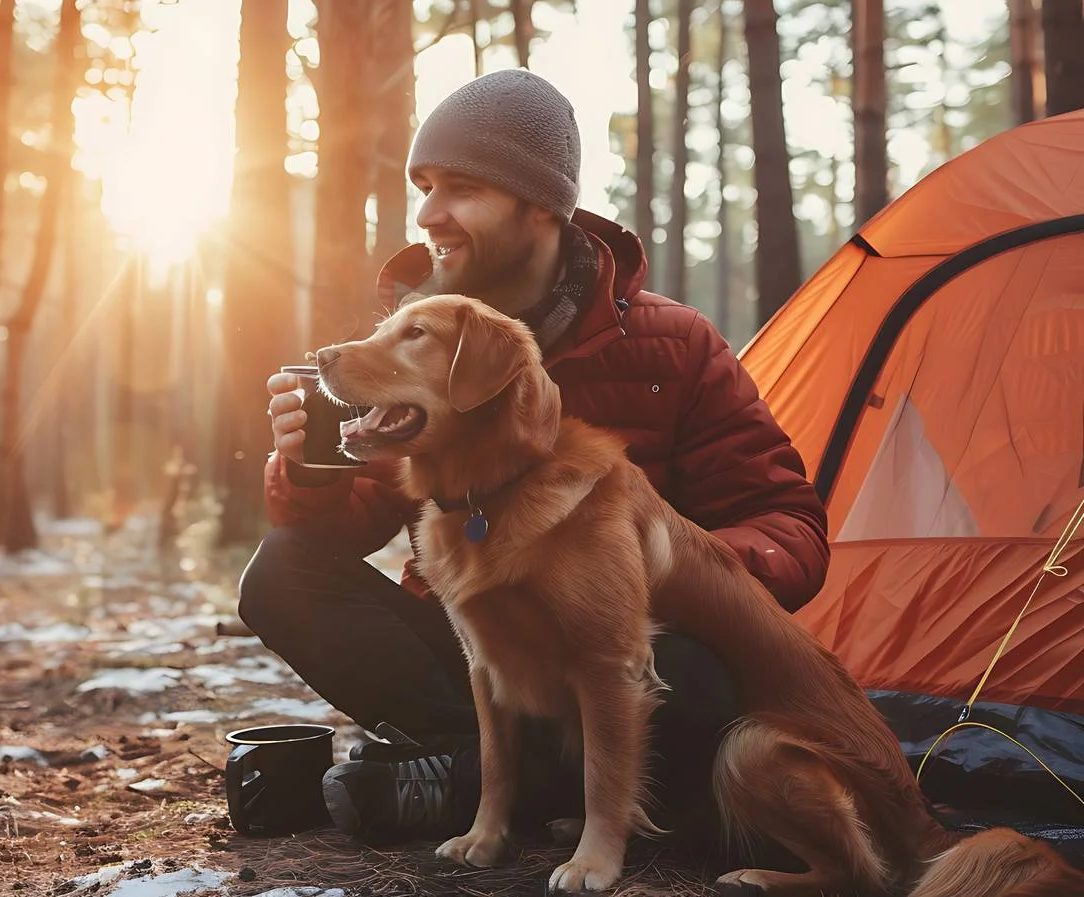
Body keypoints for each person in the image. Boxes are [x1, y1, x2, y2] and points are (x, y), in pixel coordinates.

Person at [236, 69, 831, 856]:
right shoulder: (411, 338)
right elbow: (350, 531)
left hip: (623, 658)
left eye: (461, 188)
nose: (429, 214)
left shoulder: (672, 345)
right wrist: (310, 472)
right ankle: (481, 773)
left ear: (540, 203)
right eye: (424, 185)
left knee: (689, 671)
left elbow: (792, 524)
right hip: (479, 656)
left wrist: (660, 567)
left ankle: (455, 783)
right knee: (282, 571)